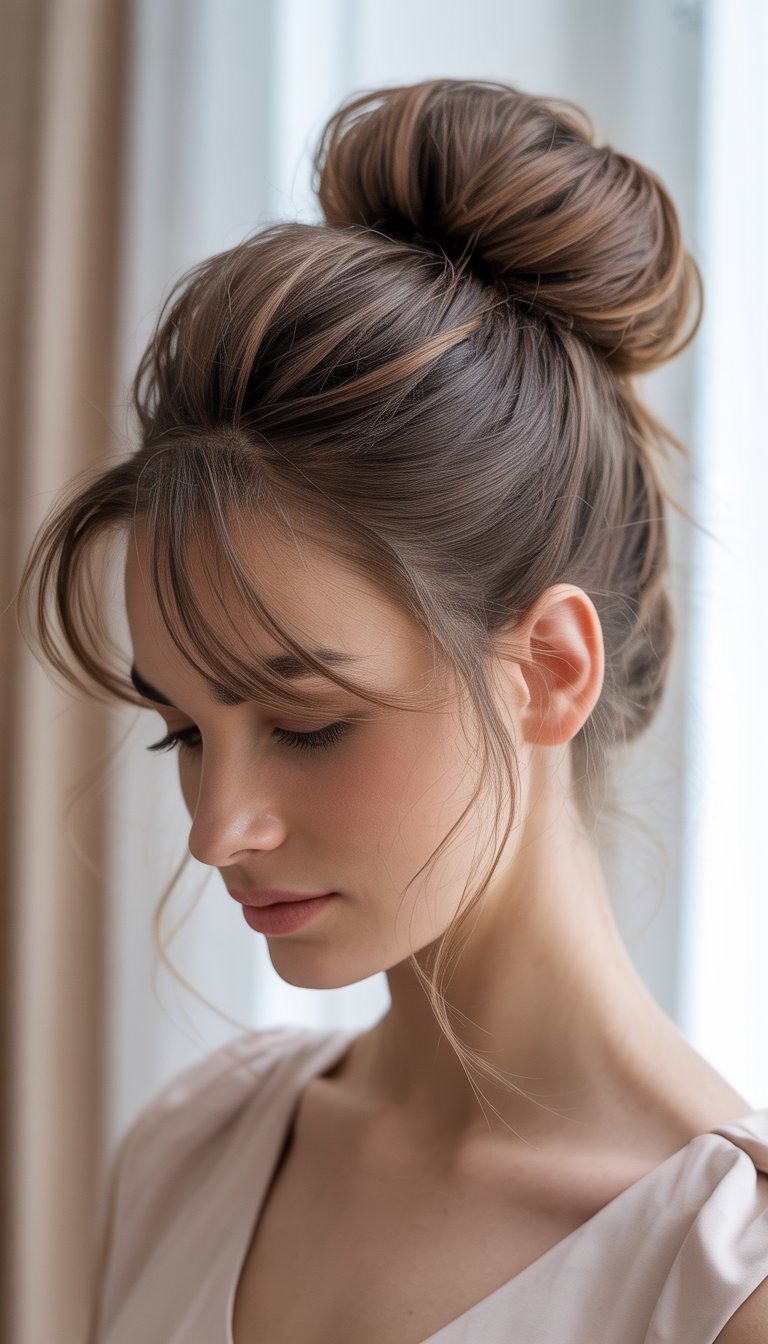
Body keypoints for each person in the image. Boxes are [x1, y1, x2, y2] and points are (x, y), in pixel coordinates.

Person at [16, 78, 768, 1344]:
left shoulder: (721, 1286)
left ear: (549, 671)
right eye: (184, 732)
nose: (217, 830)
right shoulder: (191, 1153)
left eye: (308, 724)